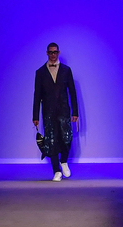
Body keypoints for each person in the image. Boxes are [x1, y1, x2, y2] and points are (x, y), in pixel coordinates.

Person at [33, 42, 79, 182]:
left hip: (64, 110)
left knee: (66, 138)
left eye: (55, 52)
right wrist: (35, 115)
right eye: (50, 52)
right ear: (47, 53)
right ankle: (56, 170)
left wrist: (75, 112)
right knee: (51, 140)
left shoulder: (66, 70)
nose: (53, 55)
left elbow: (72, 92)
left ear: (58, 53)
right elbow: (37, 95)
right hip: (48, 111)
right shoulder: (40, 72)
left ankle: (64, 161)